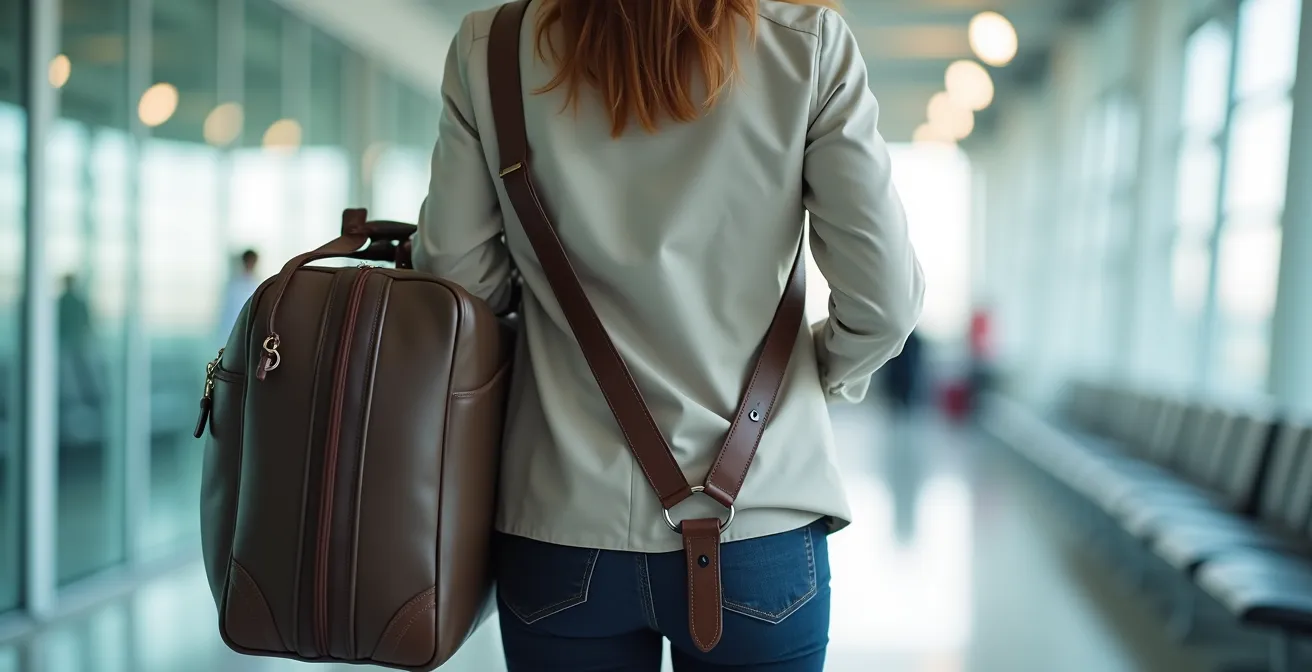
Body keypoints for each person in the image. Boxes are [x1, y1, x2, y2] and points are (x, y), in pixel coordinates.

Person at [415, 1, 924, 670]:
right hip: (760, 522)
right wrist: (813, 379)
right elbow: (885, 303)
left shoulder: (493, 45)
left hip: (563, 522)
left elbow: (456, 276)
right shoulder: (807, 42)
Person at [218, 250, 260, 342]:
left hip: (250, 331)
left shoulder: (258, 284)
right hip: (233, 330)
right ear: (244, 262)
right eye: (249, 261)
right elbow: (228, 310)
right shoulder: (234, 284)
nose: (251, 264)